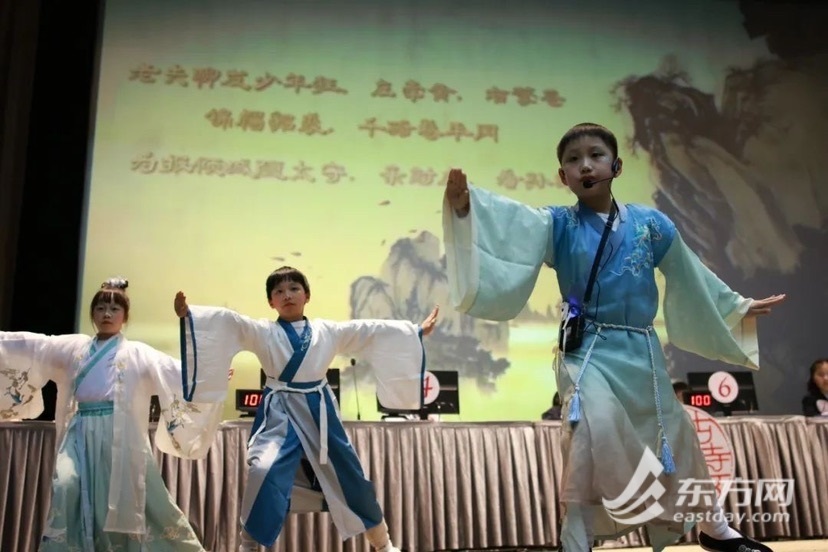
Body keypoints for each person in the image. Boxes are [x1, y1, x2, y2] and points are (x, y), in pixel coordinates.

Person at [441, 122, 786, 552]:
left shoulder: (651, 224)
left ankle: (716, 530)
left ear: (617, 166)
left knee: (675, 433)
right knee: (589, 429)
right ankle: (576, 540)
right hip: (587, 351)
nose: (585, 165)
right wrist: (465, 210)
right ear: (562, 176)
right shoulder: (557, 224)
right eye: (573, 160)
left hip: (642, 350)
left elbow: (689, 272)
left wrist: (734, 305)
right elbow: (509, 227)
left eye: (595, 155)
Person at [173, 266, 439, 552]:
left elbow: (369, 330)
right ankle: (247, 546)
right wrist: (191, 315)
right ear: (271, 302)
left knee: (351, 476)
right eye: (279, 291)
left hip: (320, 414)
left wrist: (415, 331)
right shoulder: (264, 332)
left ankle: (383, 544)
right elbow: (231, 322)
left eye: (294, 289)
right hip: (279, 414)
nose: (287, 295)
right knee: (262, 471)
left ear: (307, 295)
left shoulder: (328, 331)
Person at [0, 278, 223, 551]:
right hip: (80, 430)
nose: (107, 313)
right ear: (92, 314)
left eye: (115, 309)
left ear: (124, 317)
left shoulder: (136, 352)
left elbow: (171, 370)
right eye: (101, 308)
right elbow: (37, 346)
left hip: (120, 434)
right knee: (67, 484)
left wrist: (209, 374)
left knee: (137, 498)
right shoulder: (75, 347)